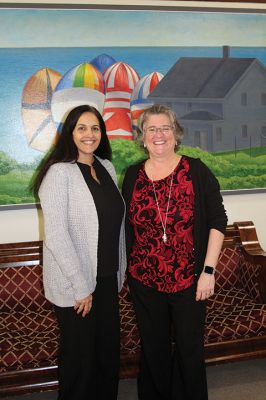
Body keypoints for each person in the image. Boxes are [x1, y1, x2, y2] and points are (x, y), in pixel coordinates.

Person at [122, 104, 227, 400]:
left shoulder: (196, 171)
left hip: (189, 280)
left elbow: (218, 221)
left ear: (176, 134)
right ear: (142, 137)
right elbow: (125, 227)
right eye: (151, 129)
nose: (158, 135)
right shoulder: (131, 176)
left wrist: (208, 271)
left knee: (189, 350)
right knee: (153, 350)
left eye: (165, 128)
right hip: (144, 280)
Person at [32, 104, 126, 400]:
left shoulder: (106, 167)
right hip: (78, 286)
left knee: (108, 355)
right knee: (80, 362)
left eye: (95, 128)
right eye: (82, 128)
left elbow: (116, 223)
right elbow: (57, 237)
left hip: (108, 278)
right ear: (69, 133)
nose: (89, 134)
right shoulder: (59, 173)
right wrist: (81, 287)